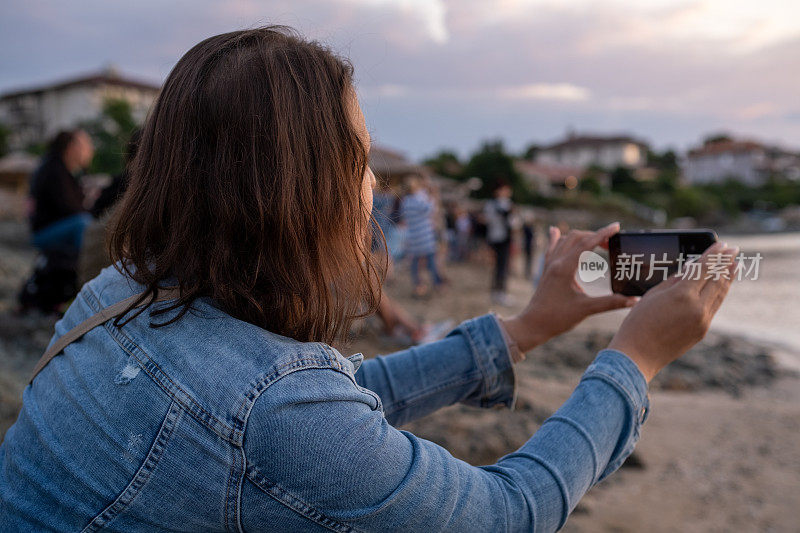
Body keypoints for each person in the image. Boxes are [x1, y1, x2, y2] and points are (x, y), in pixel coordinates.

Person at [0, 27, 738, 531]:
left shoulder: (122, 289)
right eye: (360, 155)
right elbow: (506, 513)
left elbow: (337, 405)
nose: (371, 183)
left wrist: (524, 329)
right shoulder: (274, 415)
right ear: (300, 189)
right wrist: (634, 359)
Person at [17, 129, 94, 313]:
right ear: (71, 148)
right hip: (44, 234)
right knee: (84, 224)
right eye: (84, 146)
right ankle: (84, 283)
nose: (89, 151)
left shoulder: (63, 170)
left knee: (86, 223)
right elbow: (69, 208)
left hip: (52, 229)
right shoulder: (54, 170)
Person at [400, 174, 444, 296]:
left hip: (413, 237)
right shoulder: (417, 200)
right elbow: (431, 208)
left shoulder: (406, 201)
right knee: (431, 261)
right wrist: (434, 194)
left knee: (415, 264)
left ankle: (418, 285)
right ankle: (437, 283)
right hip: (425, 236)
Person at [484, 180, 515, 305]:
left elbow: (513, 222)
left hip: (506, 237)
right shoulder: (492, 205)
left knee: (504, 266)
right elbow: (490, 220)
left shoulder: (507, 204)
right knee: (499, 267)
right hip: (497, 238)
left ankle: (500, 291)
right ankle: (497, 292)